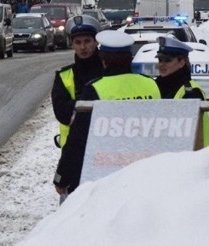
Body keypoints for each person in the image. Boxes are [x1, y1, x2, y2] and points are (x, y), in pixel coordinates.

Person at [53, 30, 161, 196]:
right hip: (143, 170)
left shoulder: (95, 88)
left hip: (104, 171)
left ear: (103, 59)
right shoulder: (151, 85)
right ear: (130, 57)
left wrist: (62, 177)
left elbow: (78, 139)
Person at [51, 15, 104, 150]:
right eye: (78, 42)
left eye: (87, 41)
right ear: (72, 44)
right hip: (73, 149)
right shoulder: (63, 76)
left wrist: (78, 107)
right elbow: (62, 112)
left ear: (96, 42)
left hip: (104, 146)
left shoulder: (108, 70)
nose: (83, 47)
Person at [154, 36, 209, 147]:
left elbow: (187, 133)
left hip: (187, 157)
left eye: (168, 60)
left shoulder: (191, 92)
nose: (162, 64)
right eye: (160, 60)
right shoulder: (156, 87)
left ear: (182, 63)